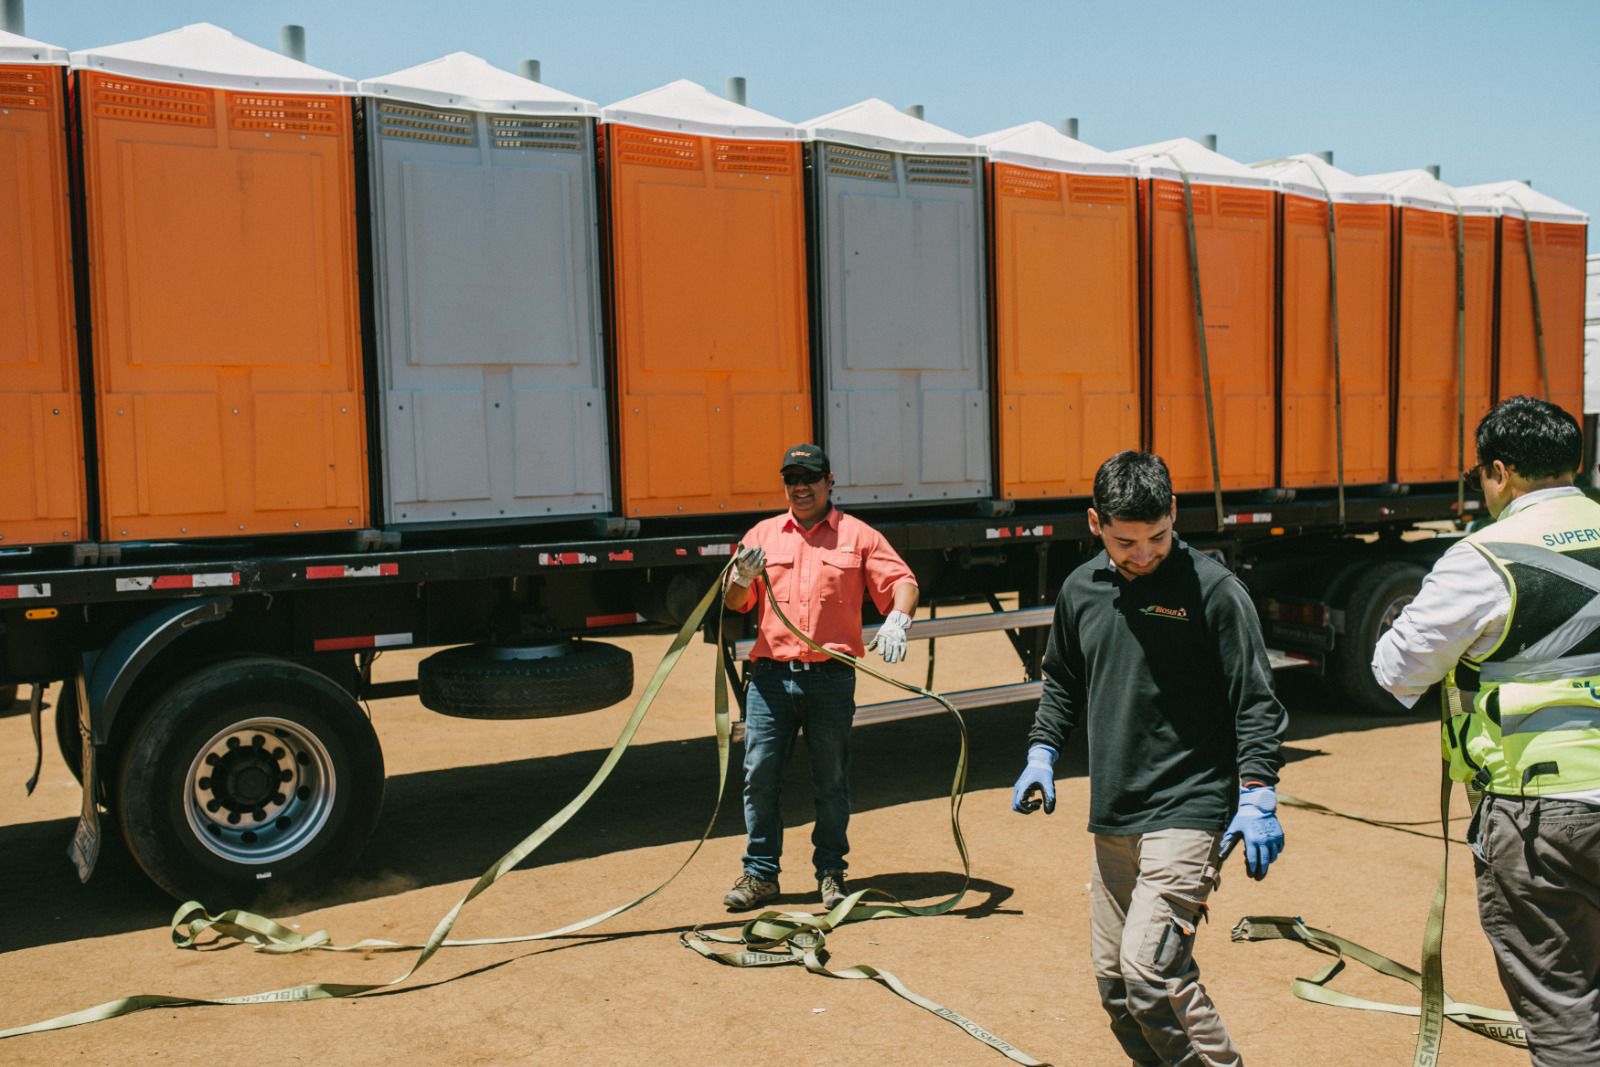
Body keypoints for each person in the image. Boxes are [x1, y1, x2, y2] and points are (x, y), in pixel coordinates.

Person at [1011, 450, 1287, 1067]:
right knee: (1116, 986)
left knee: (1151, 973)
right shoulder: (1081, 589)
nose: (1143, 554)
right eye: (1125, 541)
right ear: (1095, 523)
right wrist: (1042, 752)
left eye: (1157, 537)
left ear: (1174, 514)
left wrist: (1258, 793)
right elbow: (1062, 680)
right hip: (1114, 811)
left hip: (1189, 807)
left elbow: (1255, 700)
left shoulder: (1214, 591)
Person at [1372, 396, 1600, 1067]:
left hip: (1543, 820)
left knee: (1565, 1011)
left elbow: (1395, 670)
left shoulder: (1482, 558)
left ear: (1498, 471)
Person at [722, 443, 920, 911]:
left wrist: (899, 619)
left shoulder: (858, 536)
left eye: (809, 478)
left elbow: (903, 582)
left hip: (830, 679)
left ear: (829, 482)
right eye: (791, 479)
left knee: (831, 780)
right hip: (770, 679)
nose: (800, 487)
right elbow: (735, 603)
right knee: (759, 777)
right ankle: (760, 875)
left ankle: (831, 873)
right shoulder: (763, 535)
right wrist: (742, 579)